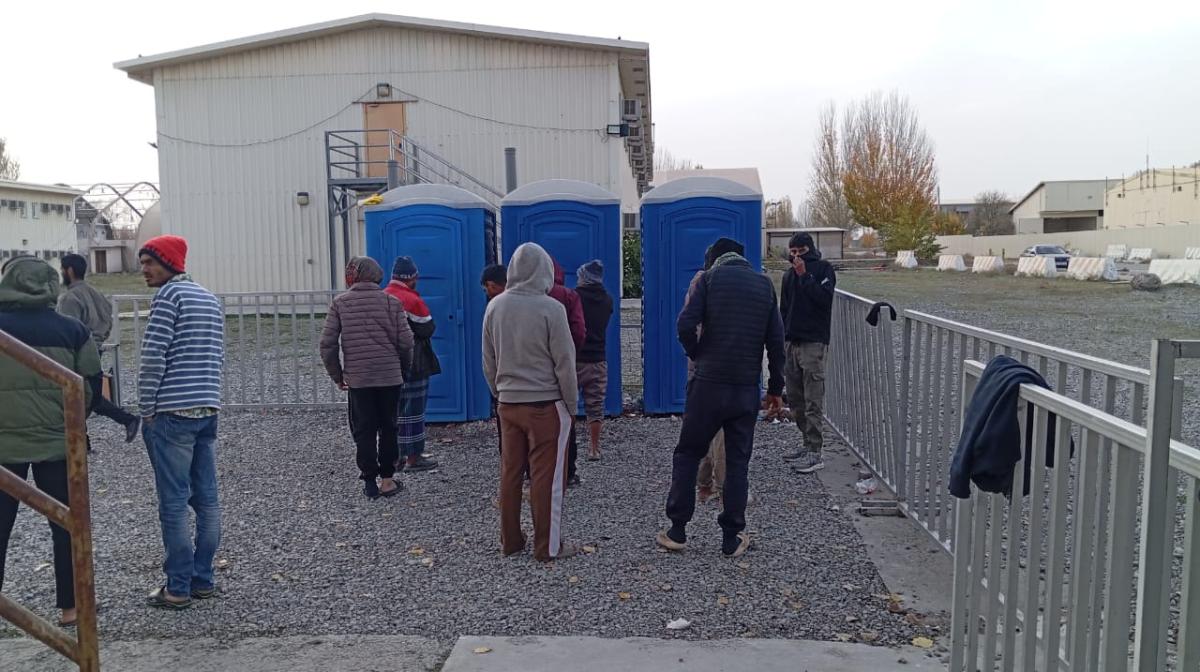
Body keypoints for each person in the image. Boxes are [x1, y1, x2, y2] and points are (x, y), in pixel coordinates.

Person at [656, 237, 786, 558]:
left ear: (714, 259)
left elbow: (685, 324)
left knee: (688, 453)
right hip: (745, 388)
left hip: (708, 385)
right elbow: (776, 342)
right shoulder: (764, 286)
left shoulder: (709, 280)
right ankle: (732, 537)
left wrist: (697, 353)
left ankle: (677, 530)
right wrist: (775, 388)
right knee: (738, 462)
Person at [0, 255, 101, 627]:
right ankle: (72, 609)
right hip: (60, 445)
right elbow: (90, 388)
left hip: (2, 447)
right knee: (67, 528)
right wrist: (68, 420)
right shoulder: (72, 330)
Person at [135, 235, 226, 610]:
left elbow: (153, 356)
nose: (143, 270)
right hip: (206, 409)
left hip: (171, 412)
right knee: (207, 502)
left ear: (169, 262)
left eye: (149, 262)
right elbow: (217, 354)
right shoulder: (208, 297)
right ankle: (203, 580)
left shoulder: (168, 297)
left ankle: (177, 588)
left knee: (173, 505)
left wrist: (146, 408)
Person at [483, 242, 580, 561]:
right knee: (546, 477)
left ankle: (510, 541)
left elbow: (488, 361)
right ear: (545, 271)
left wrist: (500, 394)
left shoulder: (495, 306)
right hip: (545, 404)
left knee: (510, 473)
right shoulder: (552, 308)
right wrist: (571, 405)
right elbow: (564, 363)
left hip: (508, 404)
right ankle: (548, 546)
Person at [320, 257, 414, 500]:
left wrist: (338, 375)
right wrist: (403, 369)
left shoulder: (340, 303)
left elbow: (327, 344)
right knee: (389, 427)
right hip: (389, 376)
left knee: (364, 429)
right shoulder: (392, 303)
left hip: (359, 379)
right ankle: (387, 480)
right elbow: (406, 342)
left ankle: (370, 482)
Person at [57, 253, 141, 442]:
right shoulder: (96, 293)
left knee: (80, 396)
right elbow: (108, 320)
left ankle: (124, 421)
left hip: (77, 353)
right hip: (96, 349)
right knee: (87, 395)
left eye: (62, 269)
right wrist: (98, 340)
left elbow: (67, 330)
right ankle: (88, 438)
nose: (61, 272)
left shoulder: (69, 298)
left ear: (69, 271)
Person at [779, 231, 837, 474]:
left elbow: (824, 300)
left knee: (813, 398)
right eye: (792, 252)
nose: (796, 257)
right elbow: (784, 309)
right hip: (792, 341)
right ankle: (806, 442)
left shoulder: (823, 270)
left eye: (800, 252)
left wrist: (805, 276)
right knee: (795, 398)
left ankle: (815, 450)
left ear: (809, 250)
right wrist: (782, 338)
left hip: (813, 341)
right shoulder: (787, 276)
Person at [384, 256, 439, 474]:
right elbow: (427, 328)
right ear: (411, 277)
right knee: (413, 411)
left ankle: (395, 458)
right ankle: (413, 458)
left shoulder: (383, 296)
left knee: (393, 412)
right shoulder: (410, 299)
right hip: (414, 363)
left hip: (388, 365)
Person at [548, 260, 586, 487]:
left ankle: (535, 474)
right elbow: (579, 331)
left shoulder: (509, 301)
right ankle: (568, 472)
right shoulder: (568, 296)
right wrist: (571, 352)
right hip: (563, 364)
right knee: (566, 418)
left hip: (529, 375)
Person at [573, 260, 613, 461]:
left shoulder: (574, 297)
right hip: (598, 358)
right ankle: (594, 448)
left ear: (584, 277)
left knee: (568, 404)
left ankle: (567, 445)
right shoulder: (607, 300)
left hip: (575, 359)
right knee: (595, 405)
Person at [481, 264, 507, 453]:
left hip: (506, 388)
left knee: (508, 442)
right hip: (539, 390)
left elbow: (488, 357)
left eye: (487, 288)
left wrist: (496, 390)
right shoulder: (546, 305)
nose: (488, 293)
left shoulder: (494, 308)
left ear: (493, 284)